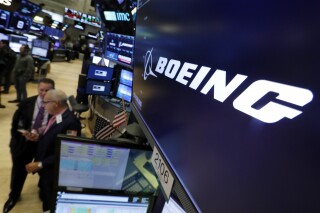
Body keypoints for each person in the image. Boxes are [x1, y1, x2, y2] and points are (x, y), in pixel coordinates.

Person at [3, 78, 55, 213]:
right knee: (18, 172)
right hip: (23, 145)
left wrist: (41, 137)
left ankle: (43, 192)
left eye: (47, 90)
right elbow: (15, 124)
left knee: (44, 171)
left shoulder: (56, 106)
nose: (43, 93)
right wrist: (20, 137)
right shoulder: (26, 103)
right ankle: (13, 196)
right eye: (41, 90)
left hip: (42, 146)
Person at [25, 89, 82, 212]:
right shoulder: (58, 115)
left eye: (45, 102)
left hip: (54, 172)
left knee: (50, 202)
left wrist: (41, 164)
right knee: (44, 194)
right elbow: (53, 136)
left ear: (55, 103)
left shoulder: (71, 123)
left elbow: (68, 153)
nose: (43, 105)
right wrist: (39, 137)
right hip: (46, 170)